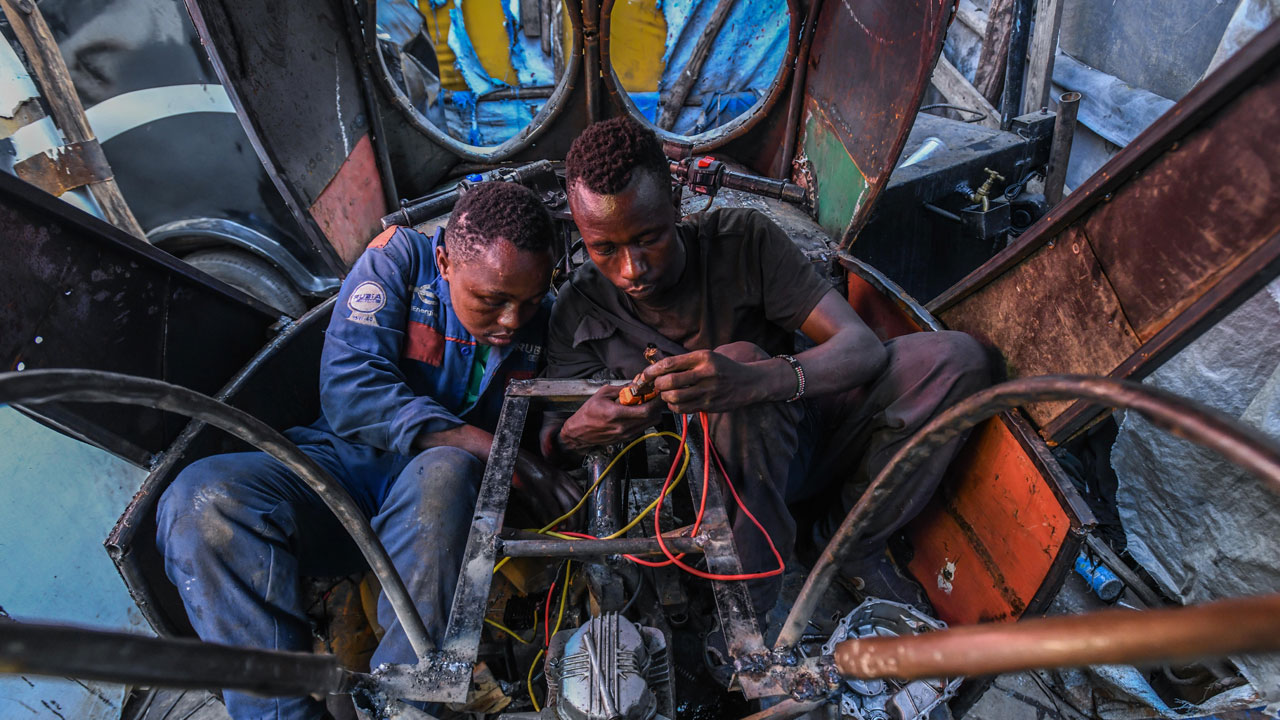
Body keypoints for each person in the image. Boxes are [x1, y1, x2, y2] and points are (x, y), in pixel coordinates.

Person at [156, 181, 577, 720]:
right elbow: (351, 391)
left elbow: (552, 429)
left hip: (444, 516)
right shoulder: (399, 261)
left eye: (530, 300)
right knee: (201, 500)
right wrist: (492, 448)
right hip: (340, 480)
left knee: (446, 472)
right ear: (445, 263)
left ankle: (401, 709)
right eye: (492, 300)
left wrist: (567, 436)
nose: (513, 320)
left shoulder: (549, 319)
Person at [544, 117, 991, 620]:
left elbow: (862, 348)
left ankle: (846, 545)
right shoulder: (578, 309)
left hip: (800, 443)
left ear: (675, 201)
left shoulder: (742, 241)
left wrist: (755, 380)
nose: (632, 269)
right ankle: (746, 610)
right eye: (605, 249)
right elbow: (550, 439)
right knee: (737, 373)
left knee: (956, 361)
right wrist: (574, 434)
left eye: (648, 238)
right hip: (704, 493)